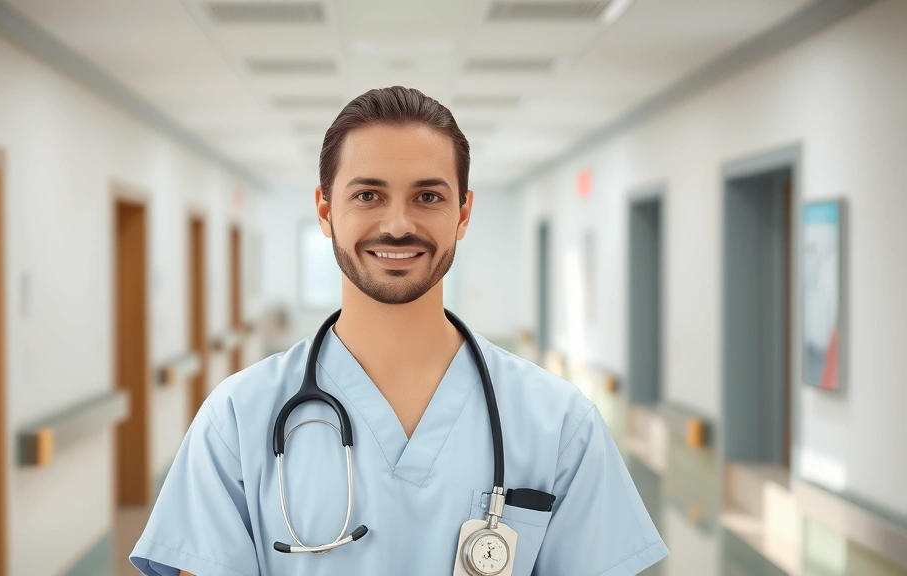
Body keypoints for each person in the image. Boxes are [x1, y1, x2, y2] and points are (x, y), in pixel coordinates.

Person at [130, 86, 668, 576]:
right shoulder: (237, 420)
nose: (397, 225)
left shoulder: (559, 423)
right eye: (368, 195)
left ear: (463, 213)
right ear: (325, 210)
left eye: (428, 197)